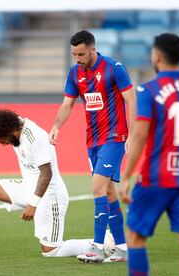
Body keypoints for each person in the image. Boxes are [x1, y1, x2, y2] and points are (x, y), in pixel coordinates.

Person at [0, 75, 114, 257]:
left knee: (51, 252)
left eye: (2, 140)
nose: (3, 144)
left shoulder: (35, 137)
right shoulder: (12, 125)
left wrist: (32, 205)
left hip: (50, 195)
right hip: (29, 187)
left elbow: (46, 173)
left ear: (8, 132)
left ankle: (103, 242)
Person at [120, 33, 179, 275]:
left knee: (135, 237)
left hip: (155, 178)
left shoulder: (148, 90)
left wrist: (126, 177)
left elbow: (139, 135)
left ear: (156, 56)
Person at [49, 30, 135, 263]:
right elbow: (68, 103)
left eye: (82, 54)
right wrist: (57, 125)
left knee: (97, 188)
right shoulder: (75, 73)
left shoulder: (114, 68)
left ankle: (97, 247)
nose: (77, 58)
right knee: (108, 192)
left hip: (114, 137)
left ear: (93, 49)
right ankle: (123, 249)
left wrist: (133, 134)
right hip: (92, 140)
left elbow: (131, 99)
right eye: (74, 54)